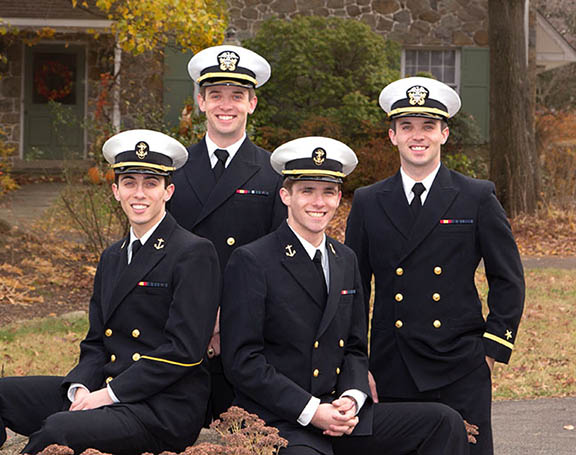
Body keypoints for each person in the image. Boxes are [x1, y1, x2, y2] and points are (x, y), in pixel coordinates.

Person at [221, 136, 470, 455]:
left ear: (339, 197)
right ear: (285, 195)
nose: (318, 202)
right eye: (307, 191)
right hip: (281, 419)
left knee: (443, 422)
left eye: (328, 192)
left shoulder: (345, 258)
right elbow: (243, 361)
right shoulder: (253, 260)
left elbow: (354, 347)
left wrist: (353, 397)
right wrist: (313, 411)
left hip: (340, 413)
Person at [0, 129, 220, 455]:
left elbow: (183, 350)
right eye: (130, 183)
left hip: (163, 407)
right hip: (107, 388)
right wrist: (79, 388)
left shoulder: (193, 252)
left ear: (168, 191)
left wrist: (108, 395)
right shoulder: (112, 256)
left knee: (59, 428)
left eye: (151, 183)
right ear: (116, 191)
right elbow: (95, 342)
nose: (139, 193)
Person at [345, 77, 525, 455]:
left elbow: (507, 278)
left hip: (459, 364)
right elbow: (354, 290)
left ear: (444, 133)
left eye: (428, 126)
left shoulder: (476, 196)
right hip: (391, 366)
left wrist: (490, 351)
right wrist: (358, 365)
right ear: (392, 135)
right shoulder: (367, 200)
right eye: (406, 127)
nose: (418, 136)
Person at [169, 44, 286, 421]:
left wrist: (226, 319)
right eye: (216, 95)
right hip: (181, 330)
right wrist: (200, 317)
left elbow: (278, 265)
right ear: (201, 102)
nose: (226, 105)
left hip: (248, 335)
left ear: (252, 103)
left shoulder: (273, 174)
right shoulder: (173, 171)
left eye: (237, 96)